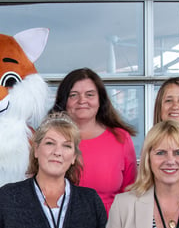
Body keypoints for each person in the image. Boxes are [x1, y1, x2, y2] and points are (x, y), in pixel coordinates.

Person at [51, 68, 137, 215]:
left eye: (89, 95)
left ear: (100, 100)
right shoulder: (49, 139)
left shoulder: (121, 138)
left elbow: (130, 191)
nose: (82, 101)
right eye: (73, 95)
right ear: (64, 101)